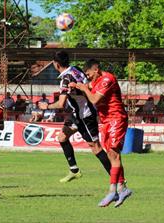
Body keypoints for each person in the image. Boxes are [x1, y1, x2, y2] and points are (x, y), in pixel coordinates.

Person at [39, 51, 111, 183]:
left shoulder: (65, 80)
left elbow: (61, 104)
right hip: (76, 114)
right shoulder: (76, 69)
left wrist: (46, 106)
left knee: (96, 148)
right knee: (62, 137)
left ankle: (116, 178)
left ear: (56, 64)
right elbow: (87, 84)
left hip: (85, 115)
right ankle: (74, 170)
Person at [72, 58, 132, 208]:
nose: (88, 77)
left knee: (113, 153)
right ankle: (122, 188)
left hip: (116, 119)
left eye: (89, 74)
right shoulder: (95, 81)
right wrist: (76, 86)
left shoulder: (107, 78)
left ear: (96, 69)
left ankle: (113, 190)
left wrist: (84, 88)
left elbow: (94, 99)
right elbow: (88, 85)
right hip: (106, 121)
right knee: (112, 155)